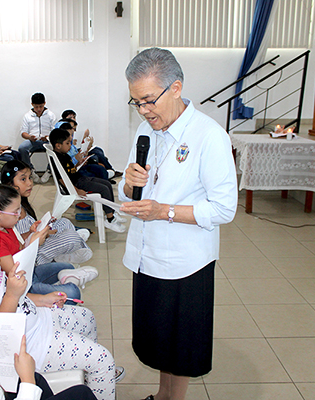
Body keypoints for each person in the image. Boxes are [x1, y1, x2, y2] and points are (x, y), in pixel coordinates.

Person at [118, 48, 238, 400]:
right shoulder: (146, 129)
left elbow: (223, 208)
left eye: (148, 100)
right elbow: (132, 189)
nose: (143, 110)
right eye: (136, 102)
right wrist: (128, 181)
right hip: (147, 255)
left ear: (175, 88)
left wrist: (164, 211)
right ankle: (163, 395)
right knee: (159, 342)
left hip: (186, 263)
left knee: (180, 347)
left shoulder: (209, 136)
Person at [0, 210, 123, 400]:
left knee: (87, 318)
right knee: (103, 361)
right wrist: (12, 294)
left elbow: (16, 299)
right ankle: (96, 377)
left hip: (37, 320)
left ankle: (89, 376)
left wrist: (42, 299)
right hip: (31, 345)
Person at [0, 182, 97, 301]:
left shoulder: (7, 228)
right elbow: (15, 272)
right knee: (73, 293)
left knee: (68, 267)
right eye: (15, 212)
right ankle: (64, 284)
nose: (19, 216)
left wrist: (31, 233)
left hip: (29, 273)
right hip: (22, 285)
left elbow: (20, 248)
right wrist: (33, 245)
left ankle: (64, 281)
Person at [1, 160, 95, 269]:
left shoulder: (22, 203)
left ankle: (67, 254)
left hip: (37, 238)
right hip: (34, 252)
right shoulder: (11, 211)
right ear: (9, 184)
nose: (30, 183)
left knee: (65, 222)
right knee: (72, 237)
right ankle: (63, 255)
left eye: (30, 177)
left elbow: (30, 227)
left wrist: (45, 226)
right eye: (23, 179)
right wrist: (46, 233)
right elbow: (19, 242)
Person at [49, 128, 126, 234]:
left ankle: (111, 212)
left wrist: (79, 163)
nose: (70, 145)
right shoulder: (57, 159)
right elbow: (62, 179)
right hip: (76, 184)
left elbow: (70, 170)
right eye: (67, 143)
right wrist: (76, 190)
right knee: (103, 189)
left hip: (78, 178)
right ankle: (109, 219)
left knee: (107, 184)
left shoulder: (64, 155)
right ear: (58, 145)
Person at [18, 93, 57, 183]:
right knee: (22, 148)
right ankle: (30, 170)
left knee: (58, 148)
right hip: (33, 141)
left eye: (41, 106)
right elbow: (23, 133)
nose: (39, 109)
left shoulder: (51, 115)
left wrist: (48, 137)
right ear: (32, 105)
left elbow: (55, 131)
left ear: (45, 103)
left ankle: (49, 170)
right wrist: (29, 137)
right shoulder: (27, 116)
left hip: (47, 141)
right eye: (36, 107)